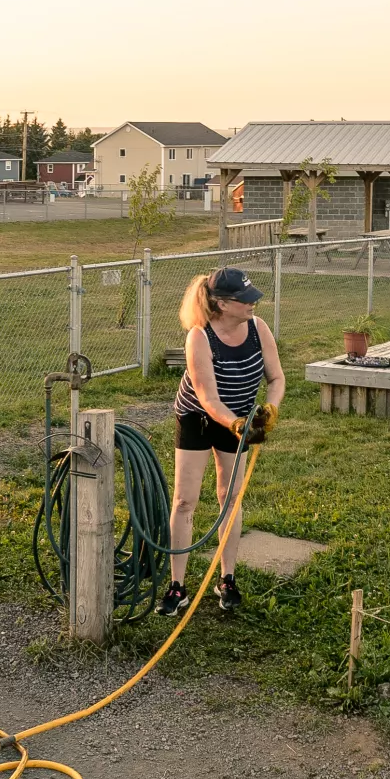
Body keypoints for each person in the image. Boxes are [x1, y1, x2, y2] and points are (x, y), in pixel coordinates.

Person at [164, 264, 272, 615]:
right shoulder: (199, 336)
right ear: (223, 304)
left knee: (230, 497)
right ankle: (177, 586)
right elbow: (208, 399)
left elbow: (279, 377)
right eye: (245, 300)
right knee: (184, 500)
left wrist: (270, 409)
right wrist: (237, 424)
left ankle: (226, 579)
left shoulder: (258, 329)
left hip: (238, 418)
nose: (253, 304)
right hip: (198, 417)